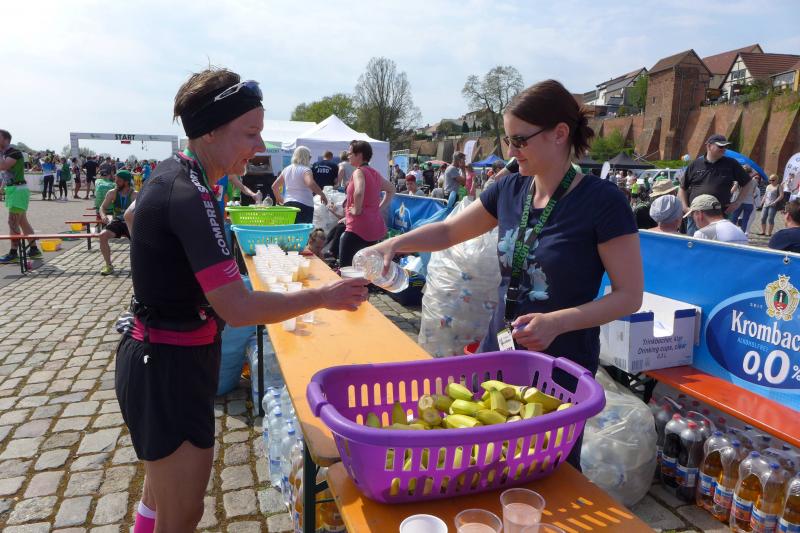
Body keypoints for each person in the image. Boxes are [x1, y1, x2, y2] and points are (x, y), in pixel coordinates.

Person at [116, 68, 369, 533]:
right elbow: (236, 308)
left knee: (157, 498)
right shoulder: (188, 192)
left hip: (162, 354)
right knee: (182, 514)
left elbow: (135, 216)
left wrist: (170, 270)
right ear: (210, 131)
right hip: (168, 365)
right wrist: (324, 295)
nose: (259, 145)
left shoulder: (179, 174)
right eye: (250, 133)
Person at [363, 79, 642, 469]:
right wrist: (393, 245)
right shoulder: (509, 190)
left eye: (520, 141)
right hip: (500, 351)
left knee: (548, 471)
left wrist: (556, 322)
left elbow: (629, 296)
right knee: (484, 462)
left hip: (561, 364)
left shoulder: (603, 201)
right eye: (508, 140)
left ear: (560, 134)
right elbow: (449, 232)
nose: (510, 152)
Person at [679, 134, 751, 234]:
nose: (724, 149)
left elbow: (748, 183)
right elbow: (682, 187)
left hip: (720, 215)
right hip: (696, 215)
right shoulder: (695, 164)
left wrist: (737, 203)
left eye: (725, 146)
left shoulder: (731, 164)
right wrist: (684, 207)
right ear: (709, 146)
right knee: (694, 242)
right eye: (720, 146)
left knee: (717, 241)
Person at [339, 140, 395, 266]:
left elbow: (359, 191)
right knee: (365, 270)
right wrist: (378, 209)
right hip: (373, 228)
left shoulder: (359, 171)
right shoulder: (375, 173)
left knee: (346, 269)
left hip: (357, 228)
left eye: (350, 153)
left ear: (359, 155)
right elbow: (392, 189)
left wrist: (357, 210)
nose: (348, 156)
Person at [0, 129, 41, 263]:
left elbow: (3, 166)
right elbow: (7, 173)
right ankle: (34, 249)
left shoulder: (14, 152)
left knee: (12, 222)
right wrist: (2, 188)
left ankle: (13, 253)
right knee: (22, 222)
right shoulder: (6, 153)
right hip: (14, 189)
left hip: (18, 190)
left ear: (6, 139)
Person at [272, 146, 327, 224]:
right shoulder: (306, 170)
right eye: (309, 156)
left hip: (288, 204)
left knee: (290, 230)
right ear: (306, 157)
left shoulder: (286, 169)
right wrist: (322, 194)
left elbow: (274, 186)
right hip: (303, 205)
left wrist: (279, 198)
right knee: (302, 230)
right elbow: (310, 183)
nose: (310, 158)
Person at [98, 170, 138, 275]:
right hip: (117, 222)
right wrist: (103, 216)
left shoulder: (135, 195)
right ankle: (108, 265)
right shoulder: (112, 193)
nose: (115, 182)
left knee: (139, 241)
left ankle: (139, 267)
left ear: (126, 182)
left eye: (119, 180)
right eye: (115, 179)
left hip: (130, 222)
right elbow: (102, 207)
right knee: (102, 235)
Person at [730, 165, 760, 233]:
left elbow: (733, 190)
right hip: (749, 202)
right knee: (745, 220)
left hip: (739, 202)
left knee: (734, 218)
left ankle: (732, 233)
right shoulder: (754, 181)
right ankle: (742, 234)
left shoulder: (738, 180)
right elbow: (753, 192)